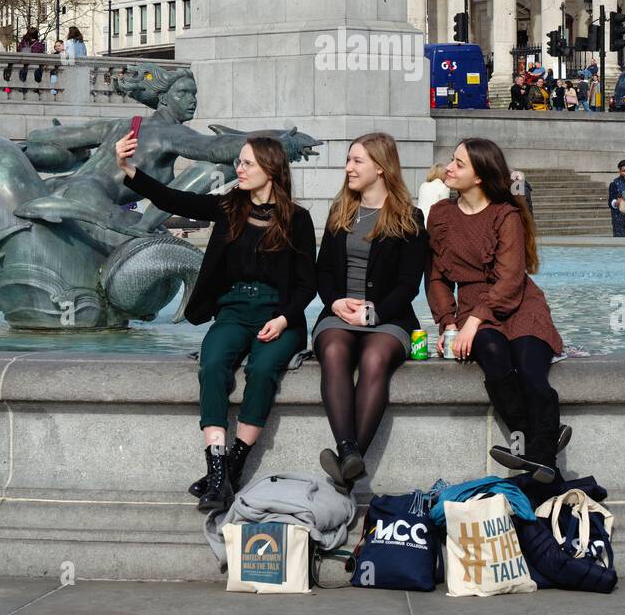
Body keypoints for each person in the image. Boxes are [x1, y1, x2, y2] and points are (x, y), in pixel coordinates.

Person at [115, 129, 316, 511]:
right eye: (239, 161)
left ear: (270, 170)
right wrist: (128, 168)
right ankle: (218, 469)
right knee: (212, 365)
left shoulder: (298, 220)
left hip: (278, 314)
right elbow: (175, 199)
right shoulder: (229, 207)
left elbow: (308, 284)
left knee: (263, 368)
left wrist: (286, 320)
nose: (238, 168)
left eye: (246, 163)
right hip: (233, 311)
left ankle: (233, 467)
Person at [426, 138, 570, 481]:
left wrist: (473, 320)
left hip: (520, 303)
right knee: (492, 350)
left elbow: (509, 280)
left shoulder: (506, 215)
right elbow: (436, 279)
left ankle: (536, 452)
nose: (449, 167)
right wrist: (448, 323)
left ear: (479, 177)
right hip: (473, 306)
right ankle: (542, 444)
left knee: (530, 367)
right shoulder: (440, 215)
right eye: (452, 160)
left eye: (459, 164)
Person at [313, 132, 427, 493]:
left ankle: (348, 462)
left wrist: (374, 313)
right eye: (349, 160)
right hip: (339, 312)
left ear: (380, 167)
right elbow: (323, 272)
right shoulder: (340, 211)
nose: (348, 168)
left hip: (389, 317)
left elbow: (410, 284)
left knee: (376, 359)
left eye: (356, 161)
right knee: (333, 349)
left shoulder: (410, 217)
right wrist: (334, 302)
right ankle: (349, 449)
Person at [608, 159, 625, 238]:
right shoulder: (614, 183)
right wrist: (616, 202)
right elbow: (610, 202)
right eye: (624, 171)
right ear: (620, 172)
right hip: (619, 222)